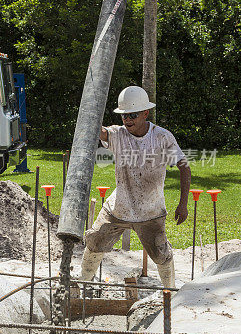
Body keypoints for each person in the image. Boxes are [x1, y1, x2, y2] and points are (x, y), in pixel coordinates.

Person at [80, 86, 191, 289]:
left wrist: (183, 204)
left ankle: (171, 292)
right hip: (118, 209)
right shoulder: (118, 134)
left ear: (145, 113)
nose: (127, 120)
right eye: (124, 116)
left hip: (151, 211)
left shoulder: (161, 137)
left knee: (161, 255)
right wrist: (90, 116)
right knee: (94, 242)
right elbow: (102, 133)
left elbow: (184, 167)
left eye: (132, 115)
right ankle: (81, 284)